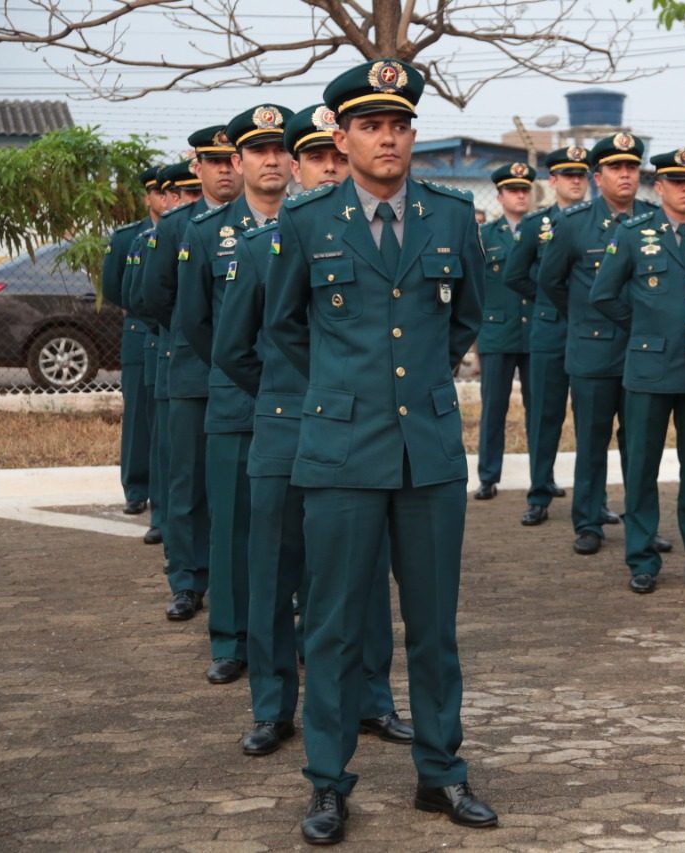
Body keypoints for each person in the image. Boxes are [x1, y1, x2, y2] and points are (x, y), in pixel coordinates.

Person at [265, 58, 496, 844]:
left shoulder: (452, 218)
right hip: (339, 452)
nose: (387, 138)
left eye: (398, 125)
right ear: (342, 136)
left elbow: (467, 315)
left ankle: (441, 772)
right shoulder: (307, 223)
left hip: (427, 451)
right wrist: (341, 389)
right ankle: (328, 781)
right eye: (371, 125)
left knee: (434, 625)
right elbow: (285, 329)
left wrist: (417, 385)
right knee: (331, 626)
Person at [213, 103, 413, 758]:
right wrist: (287, 398)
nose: (329, 166)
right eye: (316, 157)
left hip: (359, 436)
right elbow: (234, 348)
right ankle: (273, 706)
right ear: (294, 167)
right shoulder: (259, 247)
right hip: (284, 431)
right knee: (273, 571)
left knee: (362, 572)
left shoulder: (383, 240)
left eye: (336, 154)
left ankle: (371, 697)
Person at [176, 105, 294, 684]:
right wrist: (253, 378)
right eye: (257, 151)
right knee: (232, 527)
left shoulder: (315, 223)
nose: (271, 160)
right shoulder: (205, 235)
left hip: (305, 407)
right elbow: (199, 325)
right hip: (236, 402)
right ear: (239, 162)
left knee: (300, 532)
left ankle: (292, 633)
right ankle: (230, 638)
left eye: (280, 149)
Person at [591, 147, 685, 594]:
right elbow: (603, 294)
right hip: (648, 368)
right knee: (643, 468)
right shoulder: (633, 234)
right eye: (677, 182)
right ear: (659, 187)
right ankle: (642, 558)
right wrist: (643, 324)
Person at [538, 133, 658, 556]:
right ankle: (588, 522)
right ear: (597, 176)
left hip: (644, 351)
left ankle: (642, 524)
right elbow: (549, 281)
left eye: (631, 167)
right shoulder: (573, 224)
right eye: (615, 168)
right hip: (591, 351)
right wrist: (582, 317)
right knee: (592, 441)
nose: (625, 175)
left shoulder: (653, 219)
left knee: (641, 444)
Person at [141, 134, 240, 622]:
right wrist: (192, 335)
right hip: (189, 371)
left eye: (229, 161)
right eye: (213, 162)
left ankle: (239, 580)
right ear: (195, 168)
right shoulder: (179, 226)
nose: (224, 171)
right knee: (187, 483)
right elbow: (152, 296)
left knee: (242, 488)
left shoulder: (262, 222)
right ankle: (186, 579)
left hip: (245, 379)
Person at [504, 146, 589, 526]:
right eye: (567, 175)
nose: (575, 181)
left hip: (592, 333)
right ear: (552, 181)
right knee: (544, 417)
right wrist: (548, 299)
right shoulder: (538, 226)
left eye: (581, 175)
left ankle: (594, 499)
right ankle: (539, 494)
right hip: (550, 331)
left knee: (593, 420)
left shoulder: (600, 224)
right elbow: (514, 274)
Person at [473, 163, 536, 500]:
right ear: (499, 197)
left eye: (525, 189)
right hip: (497, 333)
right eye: (513, 190)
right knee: (493, 408)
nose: (520, 195)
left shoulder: (543, 232)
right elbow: (475, 286)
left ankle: (543, 476)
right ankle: (488, 476)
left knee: (539, 409)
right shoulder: (485, 236)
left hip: (536, 333)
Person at [102, 165, 161, 518]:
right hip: (140, 332)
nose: (164, 198)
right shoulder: (128, 237)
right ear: (148, 197)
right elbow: (113, 286)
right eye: (157, 191)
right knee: (139, 415)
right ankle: (137, 488)